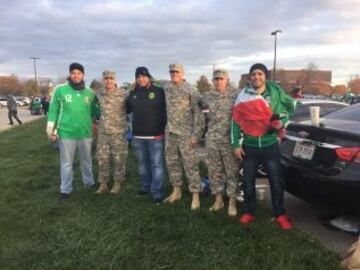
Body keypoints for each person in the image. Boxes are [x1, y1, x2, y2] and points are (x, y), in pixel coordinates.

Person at [232, 63, 295, 230]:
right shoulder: (243, 95)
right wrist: (235, 145)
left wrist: (281, 122)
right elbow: (235, 122)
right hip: (250, 146)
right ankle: (249, 211)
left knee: (276, 181)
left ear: (265, 76)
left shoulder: (275, 92)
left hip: (270, 145)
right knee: (247, 182)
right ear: (249, 77)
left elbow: (290, 108)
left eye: (259, 74)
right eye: (253, 74)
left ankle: (280, 214)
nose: (256, 77)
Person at [47, 62, 96, 199]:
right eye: (73, 73)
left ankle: (89, 183)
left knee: (87, 160)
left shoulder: (90, 92)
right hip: (66, 133)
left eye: (79, 73)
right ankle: (65, 189)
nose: (76, 76)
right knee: (67, 163)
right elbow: (52, 111)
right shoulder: (60, 89)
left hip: (85, 133)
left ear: (83, 75)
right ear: (69, 74)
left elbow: (95, 111)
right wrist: (50, 130)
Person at [162, 63, 205, 210]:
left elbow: (199, 115)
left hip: (186, 135)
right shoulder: (166, 87)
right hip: (170, 133)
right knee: (172, 163)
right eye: (172, 72)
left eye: (177, 72)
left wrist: (196, 136)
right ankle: (177, 191)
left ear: (182, 72)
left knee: (190, 165)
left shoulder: (191, 90)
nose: (174, 74)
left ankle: (195, 194)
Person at [202, 69, 241, 216]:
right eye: (216, 79)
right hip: (212, 139)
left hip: (228, 140)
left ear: (227, 80)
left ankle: (231, 201)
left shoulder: (236, 95)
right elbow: (191, 101)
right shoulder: (207, 96)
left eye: (221, 79)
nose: (218, 82)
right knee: (214, 171)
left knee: (231, 171)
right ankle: (218, 199)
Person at [126, 67, 167, 204]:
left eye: (143, 76)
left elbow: (166, 111)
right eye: (138, 77)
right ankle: (146, 187)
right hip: (138, 136)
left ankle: (157, 191)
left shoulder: (159, 91)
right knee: (143, 165)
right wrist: (131, 91)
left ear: (149, 77)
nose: (141, 79)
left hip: (155, 136)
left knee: (156, 164)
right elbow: (127, 109)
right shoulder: (134, 93)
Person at [95, 70, 128, 195]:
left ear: (115, 80)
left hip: (119, 133)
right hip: (103, 132)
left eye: (111, 78)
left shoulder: (124, 94)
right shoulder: (99, 93)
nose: (108, 81)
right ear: (103, 80)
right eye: (106, 79)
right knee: (102, 158)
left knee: (119, 159)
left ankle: (117, 182)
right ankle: (103, 183)